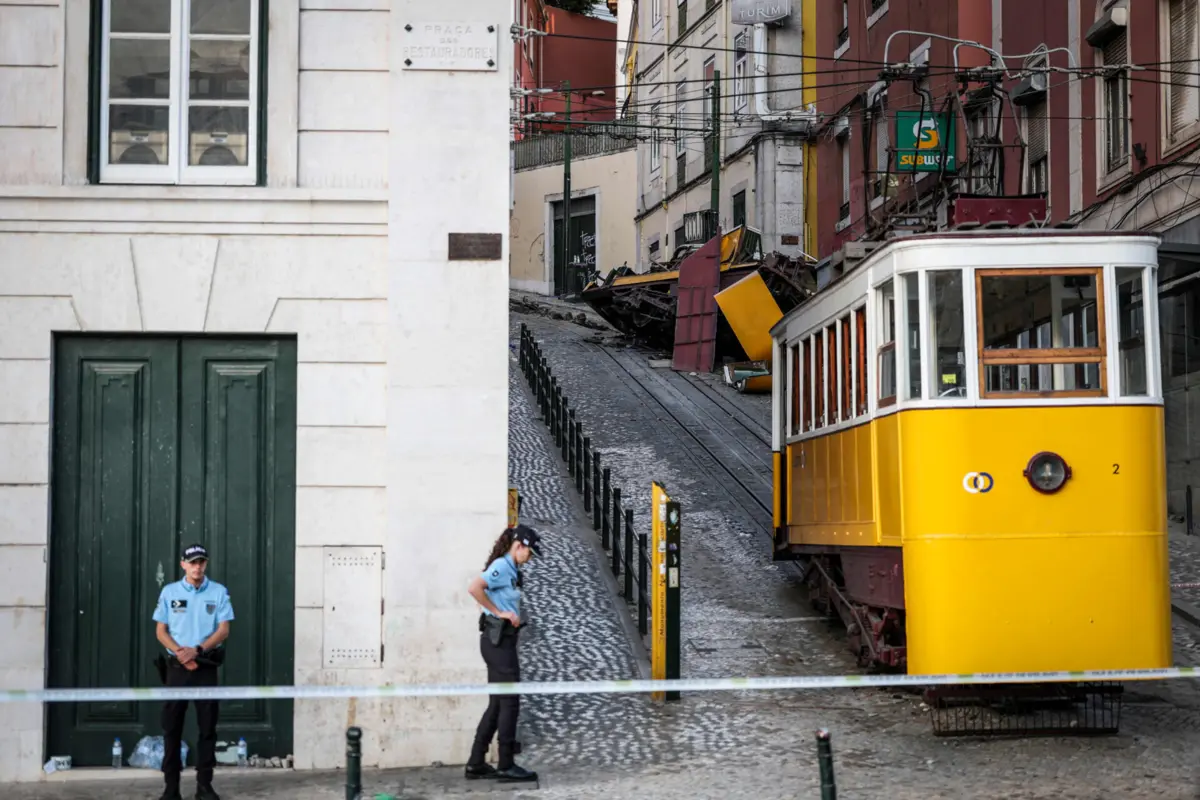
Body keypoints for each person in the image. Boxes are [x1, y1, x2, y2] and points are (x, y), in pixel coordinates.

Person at [151, 544, 234, 800]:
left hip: (204, 667)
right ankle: (171, 788)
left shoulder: (218, 591)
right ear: (183, 564)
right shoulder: (170, 591)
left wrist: (196, 650)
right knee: (172, 729)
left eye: (201, 562)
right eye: (192, 562)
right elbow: (161, 631)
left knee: (207, 728)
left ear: (206, 564)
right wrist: (180, 653)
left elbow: (223, 630)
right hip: (177, 669)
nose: (197, 567)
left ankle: (204, 786)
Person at [464, 525, 542, 783]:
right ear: (518, 546)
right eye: (529, 553)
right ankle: (506, 763)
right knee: (510, 701)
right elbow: (475, 587)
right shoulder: (501, 566)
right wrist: (498, 613)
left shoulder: (512, 569)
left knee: (498, 703)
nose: (529, 558)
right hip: (498, 643)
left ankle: (476, 762)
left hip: (502, 642)